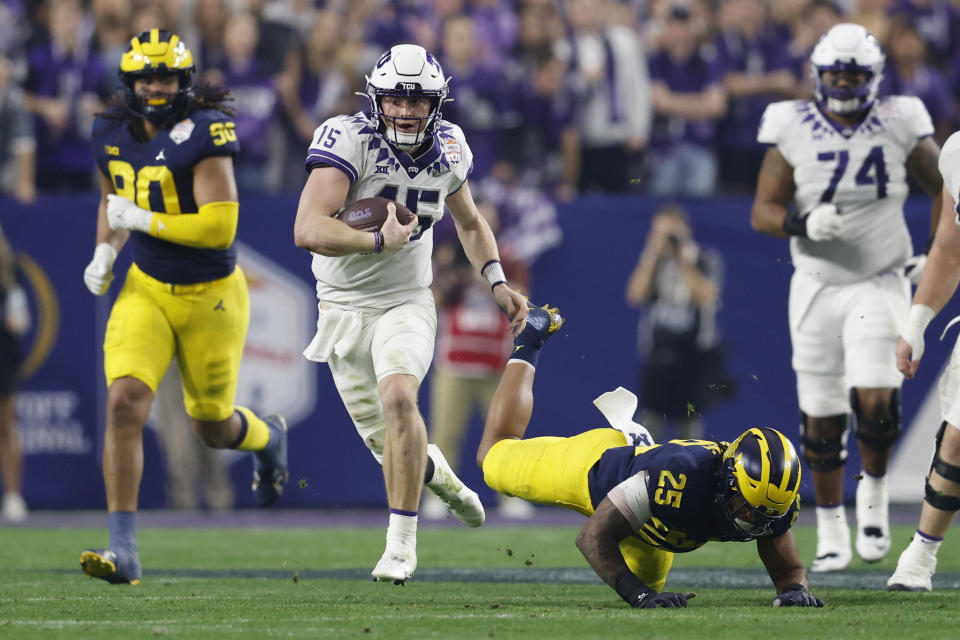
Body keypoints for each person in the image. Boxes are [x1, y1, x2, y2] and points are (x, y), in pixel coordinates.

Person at [293, 43, 529, 584]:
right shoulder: (347, 138)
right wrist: (374, 239)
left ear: (436, 103)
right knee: (393, 444)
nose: (404, 110)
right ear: (374, 99)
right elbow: (307, 228)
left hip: (407, 300)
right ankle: (440, 476)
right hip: (343, 311)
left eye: (416, 99)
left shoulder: (449, 146)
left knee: (400, 395)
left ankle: (400, 542)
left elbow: (468, 223)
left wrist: (496, 280)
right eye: (395, 98)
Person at [79, 29, 288, 585]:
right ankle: (123, 548)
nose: (155, 87)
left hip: (211, 298)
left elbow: (221, 226)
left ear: (184, 81)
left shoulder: (205, 131)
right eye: (145, 77)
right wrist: (106, 249)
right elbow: (114, 198)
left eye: (166, 77)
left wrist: (140, 223)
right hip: (146, 287)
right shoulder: (109, 130)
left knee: (211, 428)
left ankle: (267, 437)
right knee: (124, 402)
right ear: (129, 81)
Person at [476, 302, 823, 609]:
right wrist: (638, 596)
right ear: (728, 479)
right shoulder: (679, 478)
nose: (751, 520)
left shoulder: (767, 498)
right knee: (492, 458)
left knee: (651, 587)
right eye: (746, 506)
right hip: (593, 468)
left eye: (762, 514)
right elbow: (592, 537)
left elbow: (787, 566)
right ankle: (530, 340)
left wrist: (793, 589)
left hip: (652, 526)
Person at [750, 23, 944, 572]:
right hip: (814, 283)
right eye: (833, 72)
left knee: (877, 396)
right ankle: (832, 520)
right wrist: (804, 219)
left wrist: (933, 250)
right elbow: (762, 211)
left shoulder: (900, 118)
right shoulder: (791, 123)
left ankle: (874, 495)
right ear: (817, 73)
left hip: (879, 278)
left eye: (852, 74)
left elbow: (944, 185)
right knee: (822, 417)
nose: (841, 82)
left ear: (873, 77)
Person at [886, 129, 960, 591]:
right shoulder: (957, 151)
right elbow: (950, 248)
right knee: (956, 440)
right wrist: (916, 325)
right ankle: (920, 554)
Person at [626, 205, 730, 442]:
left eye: (671, 232)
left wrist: (685, 259)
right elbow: (635, 294)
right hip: (657, 357)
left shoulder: (705, 259)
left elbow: (706, 295)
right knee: (649, 429)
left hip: (693, 360)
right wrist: (652, 254)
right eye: (660, 232)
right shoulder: (653, 264)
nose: (667, 239)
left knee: (690, 434)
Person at [0, 223, 30, 522]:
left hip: (3, 359)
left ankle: (13, 496)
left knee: (7, 426)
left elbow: (20, 322)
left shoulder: (12, 277)